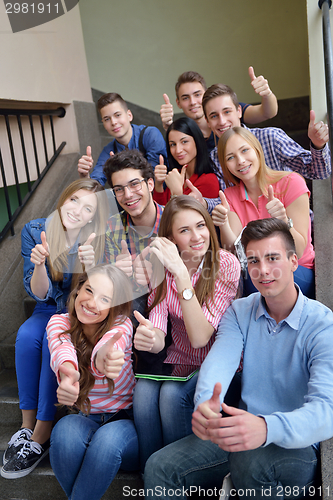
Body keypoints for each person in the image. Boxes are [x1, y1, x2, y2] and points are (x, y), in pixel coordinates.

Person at [144, 218, 333, 500]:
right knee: (160, 466)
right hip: (243, 431)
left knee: (249, 460)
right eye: (254, 261)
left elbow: (326, 411)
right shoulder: (239, 311)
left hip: (296, 443)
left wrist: (268, 427)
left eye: (272, 258)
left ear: (294, 261)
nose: (263, 270)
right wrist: (206, 404)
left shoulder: (322, 324)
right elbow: (219, 363)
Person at [1, 179, 108, 479]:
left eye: (88, 208)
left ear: (93, 216)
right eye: (74, 200)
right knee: (25, 337)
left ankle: (42, 432)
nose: (77, 211)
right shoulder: (35, 230)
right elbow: (39, 294)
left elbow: (99, 294)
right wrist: (38, 265)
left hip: (79, 311)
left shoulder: (98, 237)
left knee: (53, 340)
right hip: (48, 305)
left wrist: (93, 265)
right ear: (64, 197)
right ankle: (25, 426)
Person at [133, 195, 240, 471]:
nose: (197, 236)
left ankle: (178, 471)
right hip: (178, 360)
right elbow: (158, 328)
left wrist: (181, 275)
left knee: (170, 395)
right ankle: (151, 476)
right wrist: (150, 337)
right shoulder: (160, 268)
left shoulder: (225, 264)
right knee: (143, 394)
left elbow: (201, 336)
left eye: (201, 225)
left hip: (215, 364)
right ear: (170, 239)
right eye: (184, 230)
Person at [47, 264, 139, 500]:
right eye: (89, 290)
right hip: (85, 418)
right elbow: (62, 351)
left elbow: (107, 347)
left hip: (124, 421)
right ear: (78, 290)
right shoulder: (59, 322)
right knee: (64, 434)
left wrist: (103, 361)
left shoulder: (121, 326)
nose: (91, 302)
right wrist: (68, 376)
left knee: (105, 442)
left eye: (104, 299)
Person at [212, 126, 315, 299]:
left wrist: (283, 220)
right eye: (231, 157)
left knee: (258, 279)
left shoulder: (291, 182)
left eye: (245, 150)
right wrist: (223, 225)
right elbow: (235, 254)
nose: (240, 161)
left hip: (297, 270)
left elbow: (299, 249)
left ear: (257, 150)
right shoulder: (229, 196)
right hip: (256, 273)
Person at [201, 83, 330, 195]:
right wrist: (204, 203)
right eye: (214, 116)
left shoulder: (270, 137)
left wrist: (318, 145)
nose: (222, 121)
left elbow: (320, 173)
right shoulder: (215, 157)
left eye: (227, 112)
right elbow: (227, 201)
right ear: (207, 122)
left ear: (239, 111)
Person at [103, 149, 166, 372]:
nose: (128, 195)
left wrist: (159, 273)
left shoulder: (172, 221)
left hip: (171, 306)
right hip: (131, 311)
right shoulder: (112, 226)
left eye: (134, 184)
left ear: (150, 184)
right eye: (119, 189)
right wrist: (116, 273)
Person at [159, 69, 278, 153]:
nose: (193, 102)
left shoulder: (228, 111)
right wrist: (169, 127)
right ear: (178, 103)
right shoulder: (185, 132)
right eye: (185, 98)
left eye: (197, 94)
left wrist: (267, 94)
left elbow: (267, 112)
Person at [77, 92, 168, 185]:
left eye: (117, 115)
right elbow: (96, 181)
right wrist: (85, 176)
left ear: (129, 115)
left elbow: (155, 176)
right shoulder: (108, 151)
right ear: (103, 124)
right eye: (107, 119)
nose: (113, 122)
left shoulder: (150, 135)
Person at [153, 117, 220, 205]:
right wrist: (158, 184)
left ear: (197, 141)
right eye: (173, 144)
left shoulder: (209, 181)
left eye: (184, 142)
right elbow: (160, 213)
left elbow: (187, 217)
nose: (178, 150)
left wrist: (177, 193)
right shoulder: (176, 174)